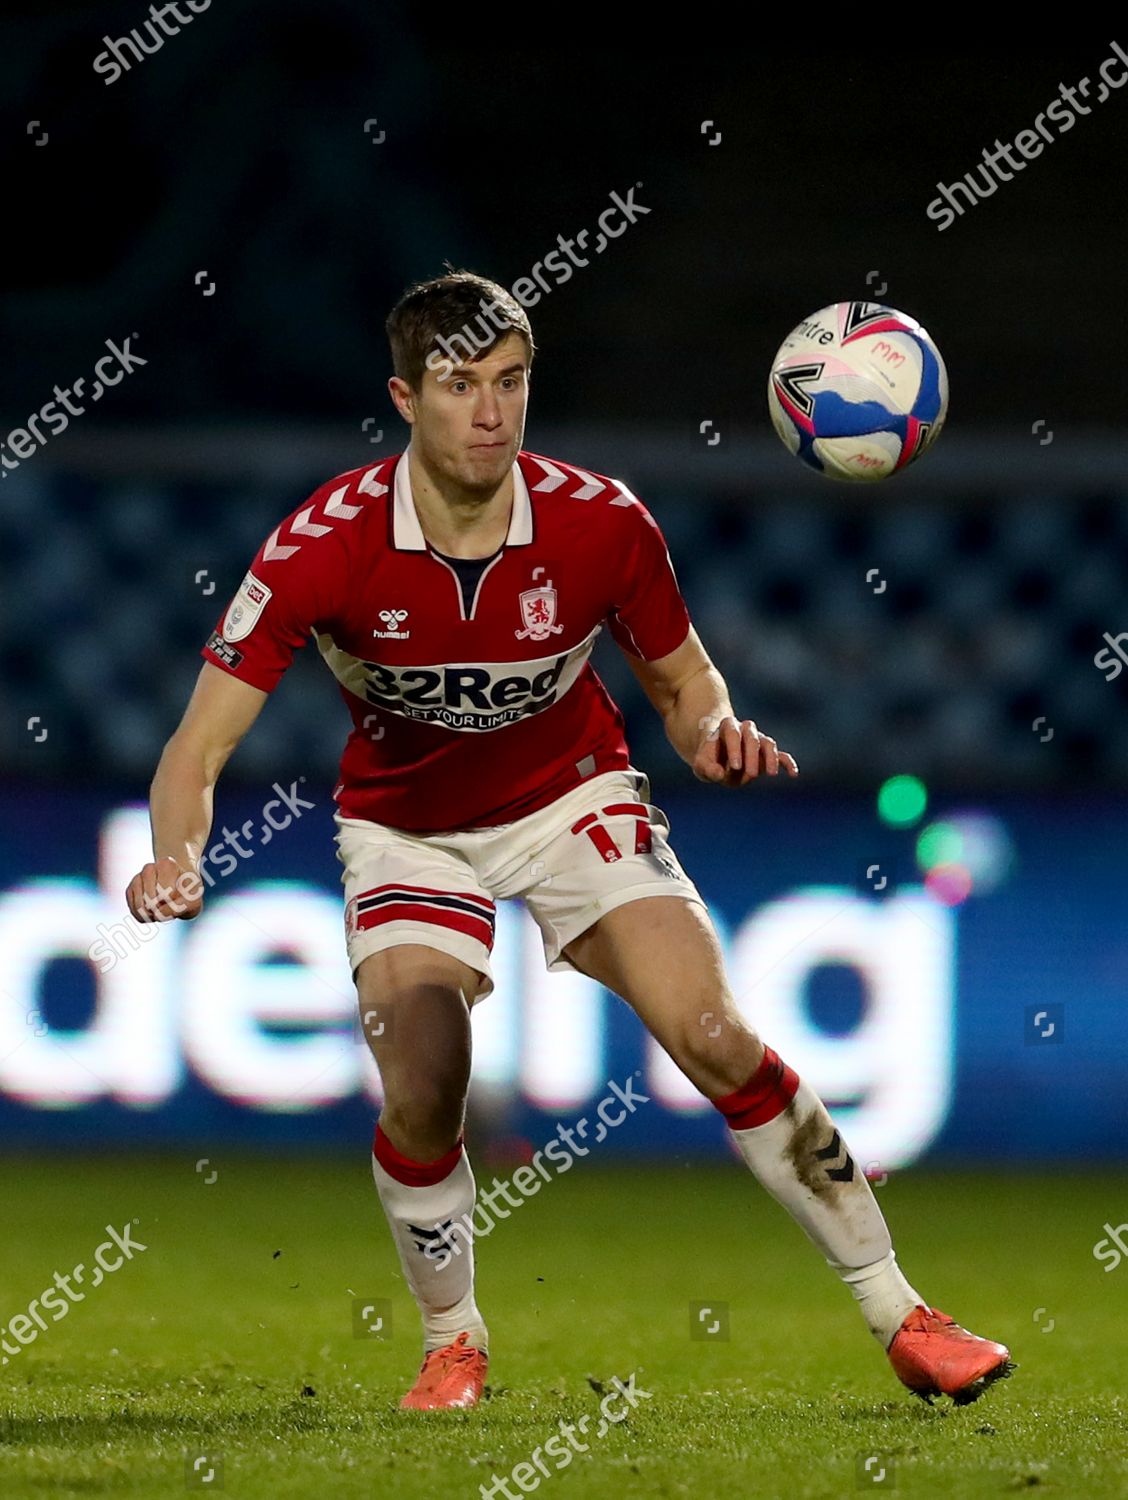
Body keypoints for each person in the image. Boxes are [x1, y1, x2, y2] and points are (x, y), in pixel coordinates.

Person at [126, 270, 1012, 1411]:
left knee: (713, 1032)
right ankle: (454, 1341)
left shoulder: (603, 523)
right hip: (411, 831)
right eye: (459, 386)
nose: (491, 412)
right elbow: (194, 752)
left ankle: (905, 1316)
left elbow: (684, 684)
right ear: (405, 397)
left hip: (573, 799)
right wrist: (176, 855)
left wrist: (714, 734)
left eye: (511, 382)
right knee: (426, 1083)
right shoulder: (321, 546)